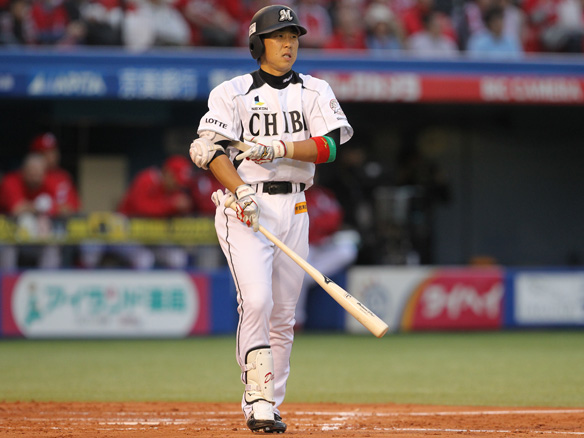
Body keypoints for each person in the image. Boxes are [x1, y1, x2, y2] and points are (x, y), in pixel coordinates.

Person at [188, 4, 353, 433]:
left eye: (293, 36)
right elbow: (210, 149)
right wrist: (240, 190)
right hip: (246, 207)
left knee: (283, 315)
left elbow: (330, 146)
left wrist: (279, 147)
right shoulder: (232, 92)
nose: (288, 43)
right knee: (257, 301)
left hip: (295, 206)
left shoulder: (315, 90)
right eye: (279, 36)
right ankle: (257, 399)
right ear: (258, 43)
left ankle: (270, 404)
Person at [80, 155, 194, 269]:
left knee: (178, 258)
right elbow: (142, 208)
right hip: (127, 232)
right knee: (144, 259)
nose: (178, 186)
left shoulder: (176, 192)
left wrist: (183, 211)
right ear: (167, 173)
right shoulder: (147, 179)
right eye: (176, 181)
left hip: (153, 237)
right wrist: (171, 205)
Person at [294, 183, 359, 329]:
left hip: (325, 243)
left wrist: (320, 225)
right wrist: (319, 224)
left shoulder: (324, 194)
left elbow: (335, 218)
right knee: (299, 268)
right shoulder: (295, 194)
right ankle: (297, 320)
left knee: (348, 250)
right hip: (305, 245)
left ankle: (311, 275)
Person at [0, 153, 62, 269]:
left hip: (38, 238)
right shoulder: (11, 181)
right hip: (10, 235)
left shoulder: (50, 183)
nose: (35, 178)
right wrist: (37, 206)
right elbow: (16, 209)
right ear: (23, 171)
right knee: (7, 244)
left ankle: (47, 279)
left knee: (52, 245)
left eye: (38, 174)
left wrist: (39, 211)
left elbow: (58, 209)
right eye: (31, 173)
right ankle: (6, 279)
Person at [29, 132, 81, 215]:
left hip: (59, 220)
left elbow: (73, 208)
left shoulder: (63, 176)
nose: (52, 156)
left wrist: (52, 207)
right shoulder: (30, 176)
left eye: (53, 151)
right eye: (46, 153)